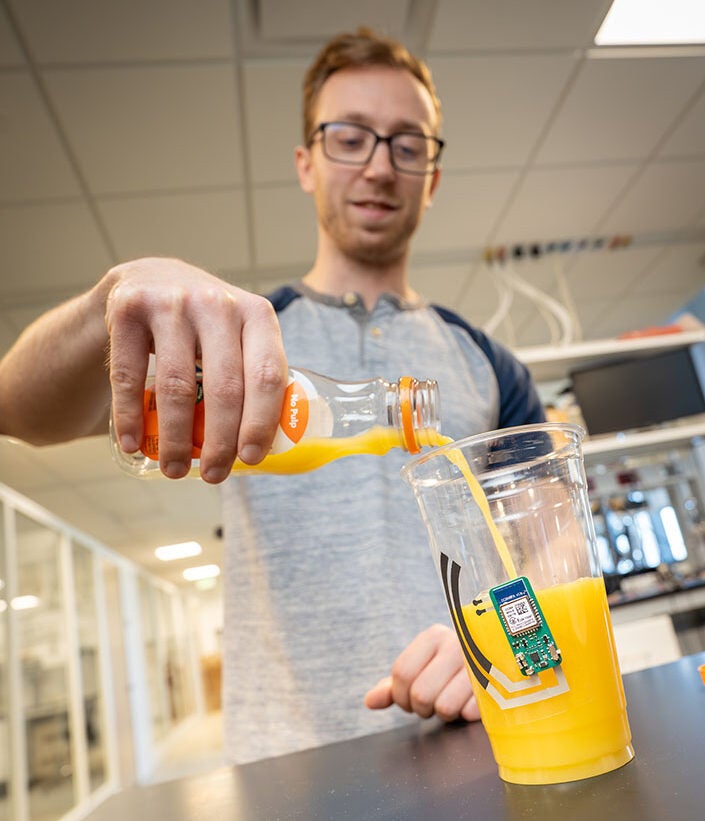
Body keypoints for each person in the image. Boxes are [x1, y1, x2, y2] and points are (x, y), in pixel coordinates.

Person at [0, 28, 544, 763]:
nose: (380, 167)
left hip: (485, 743)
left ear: (433, 175)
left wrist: (504, 643)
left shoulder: (488, 364)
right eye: (349, 137)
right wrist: (114, 294)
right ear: (305, 163)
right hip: (284, 771)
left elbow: (554, 549)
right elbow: (15, 407)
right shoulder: (232, 343)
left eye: (407, 144)